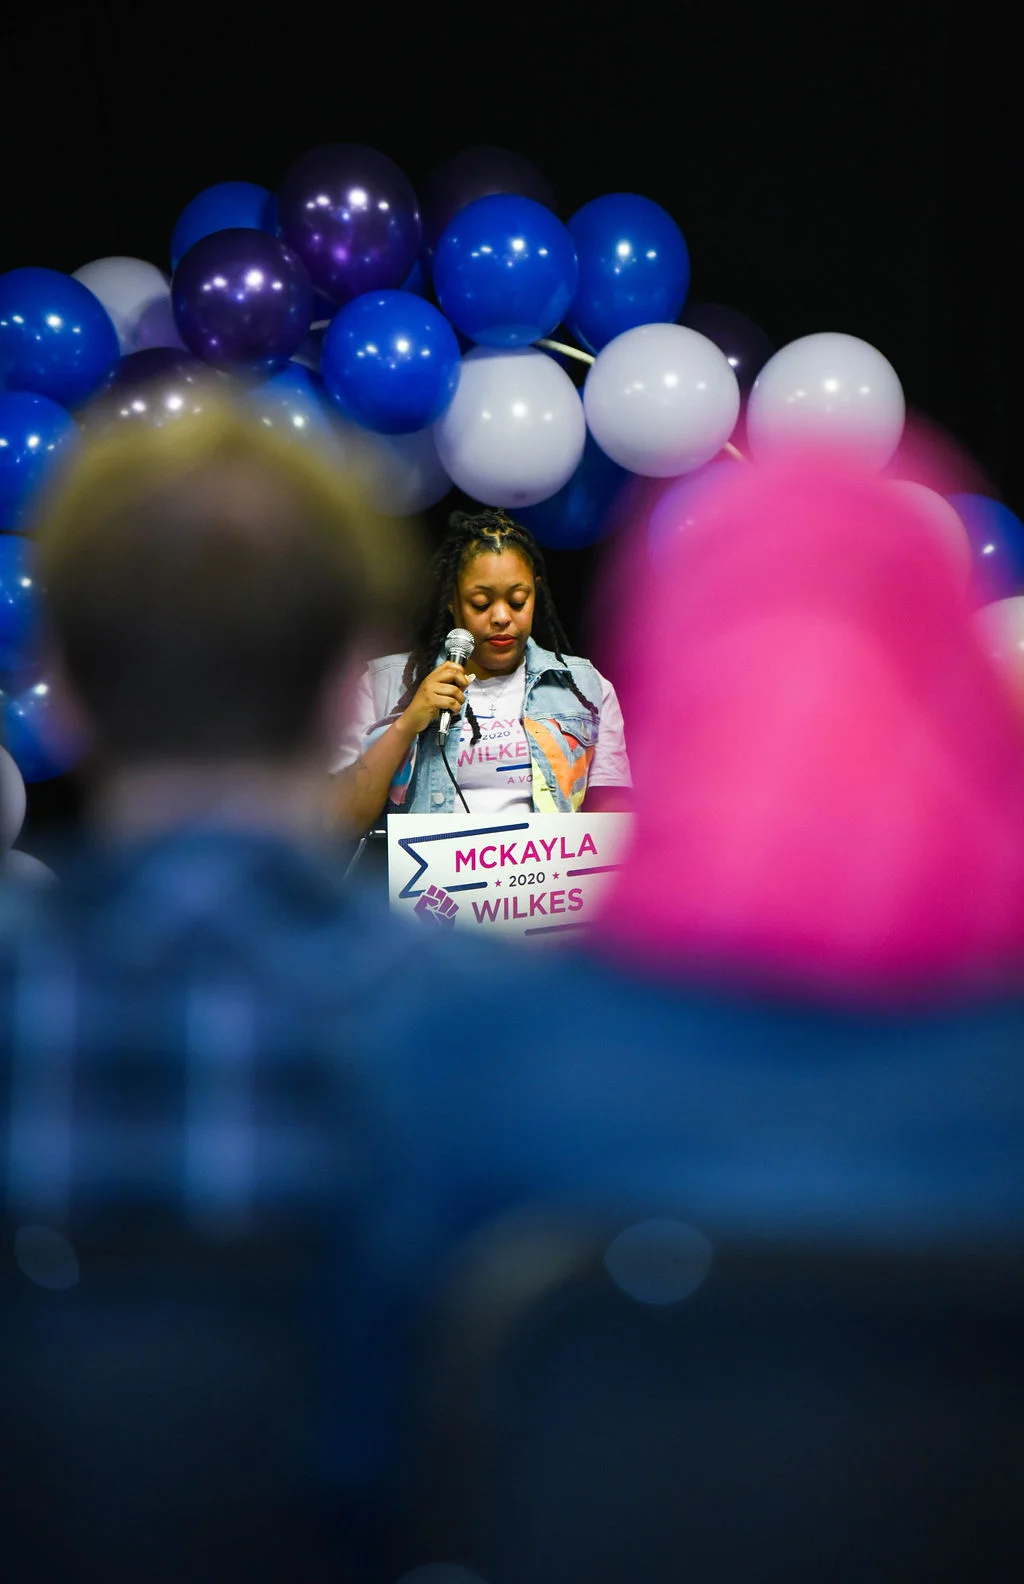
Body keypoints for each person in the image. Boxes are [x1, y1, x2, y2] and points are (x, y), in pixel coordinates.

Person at [330, 508, 631, 831]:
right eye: (480, 603)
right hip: (432, 881)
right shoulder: (384, 683)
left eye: (518, 600)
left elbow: (612, 822)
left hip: (547, 879)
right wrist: (407, 725)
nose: (501, 617)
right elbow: (341, 819)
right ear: (451, 600)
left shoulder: (584, 686)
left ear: (536, 591)